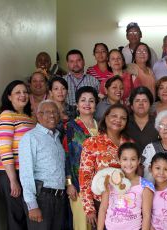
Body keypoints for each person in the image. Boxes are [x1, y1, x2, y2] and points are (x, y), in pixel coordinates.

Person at [79, 104, 131, 228]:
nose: (118, 120)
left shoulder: (129, 143)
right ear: (106, 118)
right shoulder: (92, 143)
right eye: (114, 116)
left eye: (123, 118)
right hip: (100, 204)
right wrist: (89, 209)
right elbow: (85, 177)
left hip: (124, 204)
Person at [0, 80, 35, 230]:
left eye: (25, 92)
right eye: (18, 92)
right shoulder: (7, 115)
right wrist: (13, 180)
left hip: (27, 173)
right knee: (17, 218)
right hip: (12, 173)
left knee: (29, 216)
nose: (23, 95)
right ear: (9, 97)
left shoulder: (30, 118)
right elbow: (5, 149)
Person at [19, 100, 66, 230]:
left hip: (59, 198)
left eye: (55, 112)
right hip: (42, 198)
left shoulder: (57, 137)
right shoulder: (30, 137)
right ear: (38, 116)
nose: (52, 115)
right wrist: (32, 205)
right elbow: (26, 172)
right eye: (47, 112)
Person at [97, 142, 154, 230]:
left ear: (138, 160)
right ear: (119, 160)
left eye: (133, 159)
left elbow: (146, 215)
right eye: (125, 159)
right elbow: (103, 208)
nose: (129, 163)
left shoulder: (145, 185)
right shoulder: (110, 181)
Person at [64, 86, 99, 230]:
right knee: (82, 225)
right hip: (78, 185)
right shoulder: (70, 127)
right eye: (83, 100)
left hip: (98, 185)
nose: (87, 104)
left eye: (91, 101)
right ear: (77, 105)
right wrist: (69, 183)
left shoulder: (101, 126)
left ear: (96, 105)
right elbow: (66, 156)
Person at [126, 86, 158, 153]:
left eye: (145, 101)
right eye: (137, 101)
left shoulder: (158, 123)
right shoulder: (124, 122)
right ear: (131, 106)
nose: (141, 104)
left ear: (150, 105)